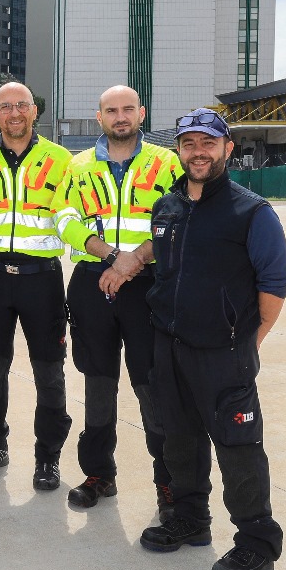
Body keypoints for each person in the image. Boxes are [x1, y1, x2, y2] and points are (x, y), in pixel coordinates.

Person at [139, 108, 286, 570]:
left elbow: (275, 282)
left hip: (224, 354)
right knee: (179, 438)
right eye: (189, 144)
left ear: (228, 148)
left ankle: (257, 543)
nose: (198, 152)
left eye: (208, 143)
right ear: (179, 151)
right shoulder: (167, 207)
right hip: (171, 346)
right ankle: (190, 518)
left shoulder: (252, 212)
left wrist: (249, 342)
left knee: (238, 448)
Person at [53, 85, 183, 516]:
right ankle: (98, 473)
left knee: (154, 388)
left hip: (150, 286)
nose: (120, 116)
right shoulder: (78, 165)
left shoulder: (167, 163)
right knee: (98, 384)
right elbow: (64, 218)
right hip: (94, 280)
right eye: (112, 110)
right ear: (99, 117)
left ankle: (168, 482)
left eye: (128, 109)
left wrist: (135, 260)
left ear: (142, 113)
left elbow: (180, 218)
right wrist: (109, 255)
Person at [0, 82, 74, 491]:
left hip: (41, 280)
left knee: (49, 375)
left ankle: (48, 458)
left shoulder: (62, 160)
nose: (14, 113)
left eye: (21, 105)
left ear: (34, 111)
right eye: (5, 106)